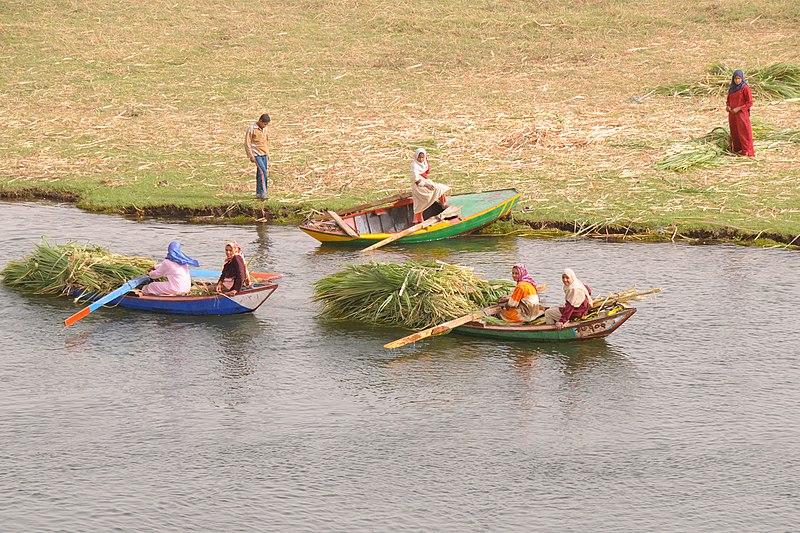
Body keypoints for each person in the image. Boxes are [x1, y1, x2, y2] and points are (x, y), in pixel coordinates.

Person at [410, 148, 450, 223]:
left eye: (422, 157)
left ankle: (443, 203)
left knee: (440, 188)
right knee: (422, 201)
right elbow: (417, 181)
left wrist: (428, 184)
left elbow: (426, 173)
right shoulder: (415, 167)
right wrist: (427, 185)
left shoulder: (424, 163)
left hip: (425, 182)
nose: (421, 159)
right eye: (419, 157)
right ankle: (418, 220)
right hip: (419, 187)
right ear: (416, 157)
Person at [726, 70, 754, 157]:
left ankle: (746, 151)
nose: (737, 81)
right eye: (735, 79)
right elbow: (728, 100)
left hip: (741, 114)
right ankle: (737, 149)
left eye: (739, 79)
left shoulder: (745, 88)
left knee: (744, 132)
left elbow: (749, 102)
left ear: (742, 79)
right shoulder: (732, 89)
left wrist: (739, 108)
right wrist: (728, 107)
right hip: (732, 114)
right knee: (735, 132)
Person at [244, 113, 271, 200]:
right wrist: (250, 155)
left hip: (264, 154)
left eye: (266, 124)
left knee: (261, 173)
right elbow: (247, 143)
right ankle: (263, 193)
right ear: (260, 121)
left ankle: (258, 193)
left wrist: (268, 153)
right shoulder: (252, 128)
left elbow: (266, 141)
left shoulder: (265, 129)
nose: (265, 126)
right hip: (256, 154)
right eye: (264, 124)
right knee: (263, 172)